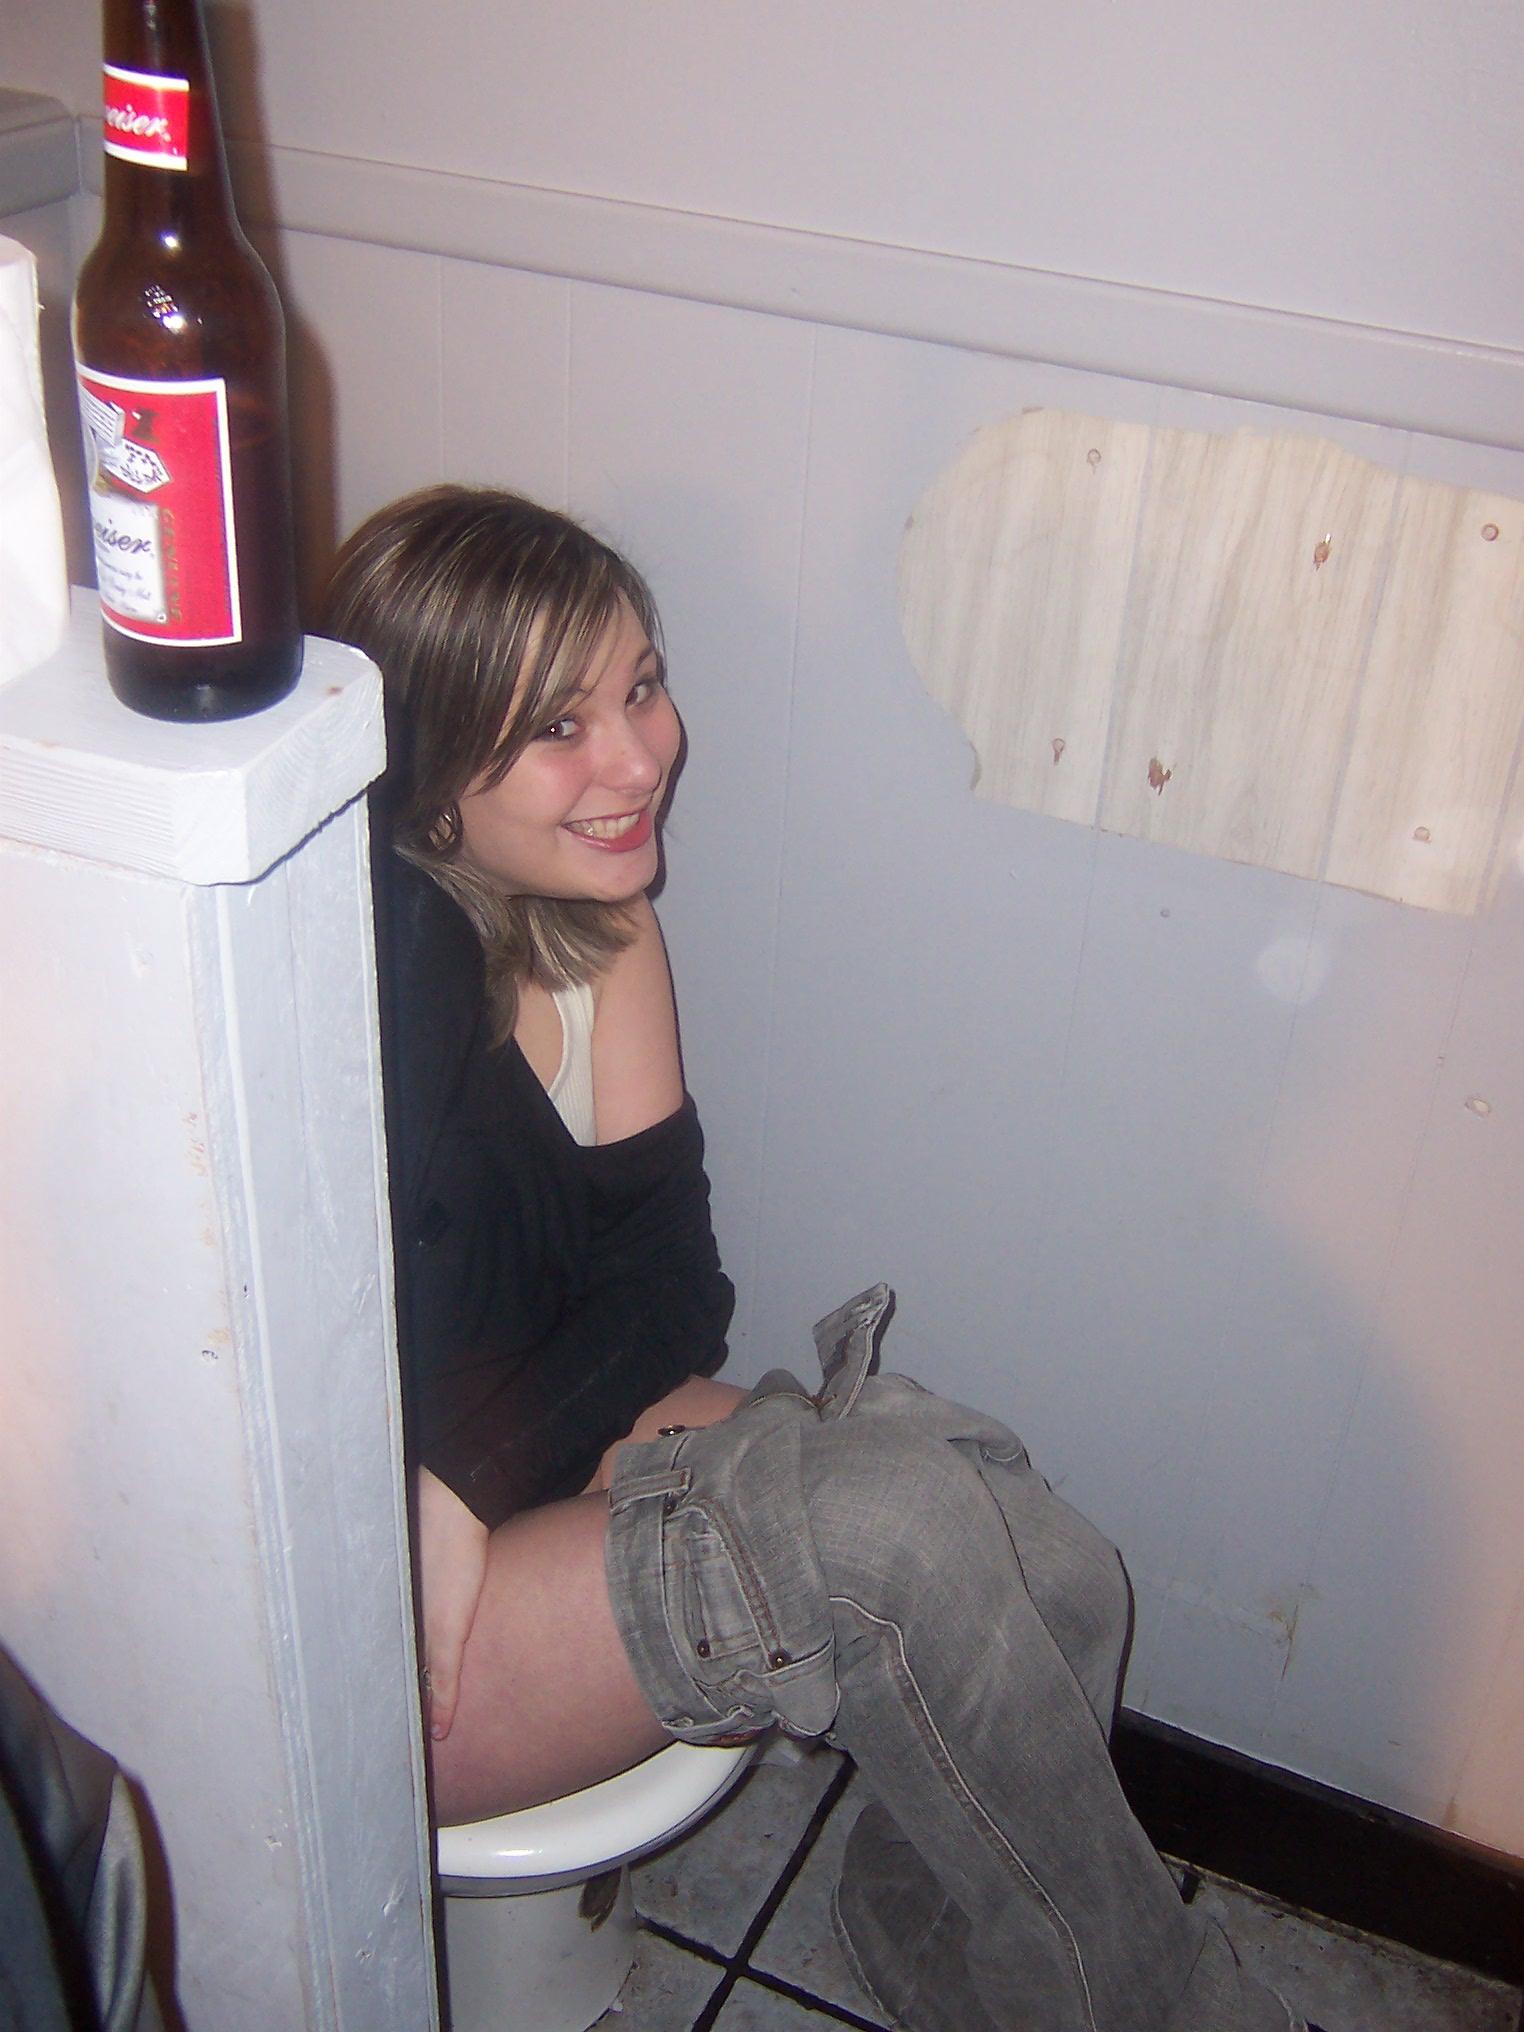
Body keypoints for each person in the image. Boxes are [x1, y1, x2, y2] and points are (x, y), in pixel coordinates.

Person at [322, 486, 1318, 2032]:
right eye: (560, 726)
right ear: (427, 775)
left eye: (642, 687)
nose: (641, 757)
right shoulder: (363, 991)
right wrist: (437, 1496)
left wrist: (473, 1471)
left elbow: (670, 1293)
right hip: (377, 1611)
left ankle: (920, 1926)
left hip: (485, 1485)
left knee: (1041, 1560)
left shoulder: (599, 931)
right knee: (888, 1548)